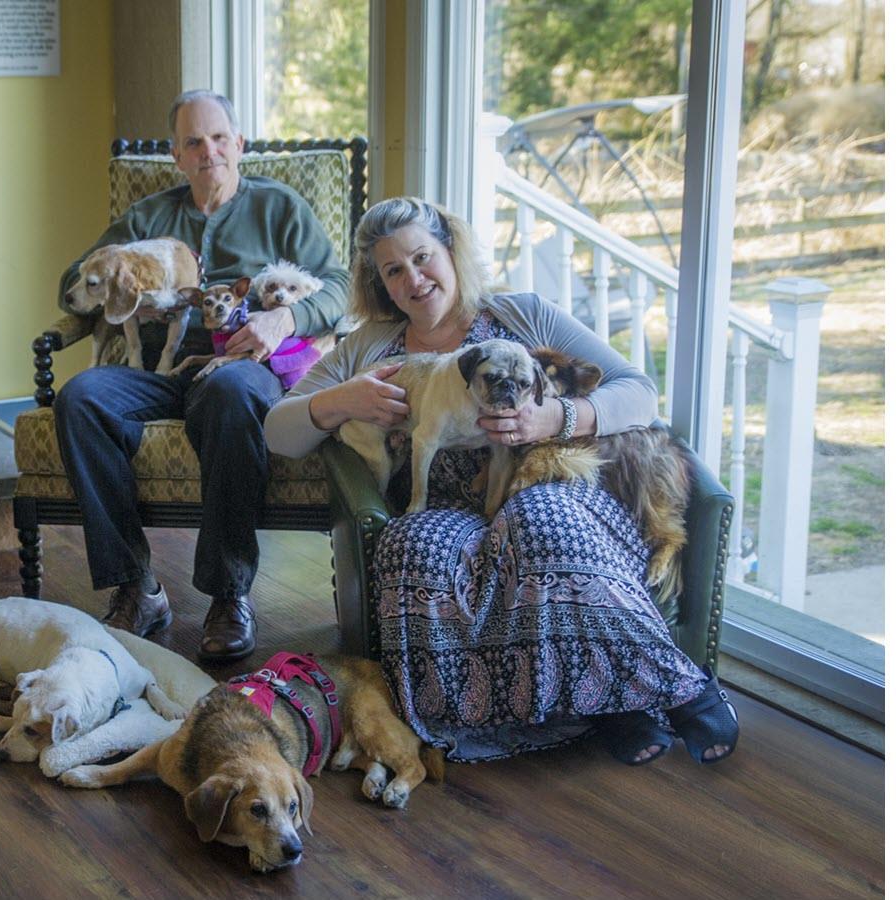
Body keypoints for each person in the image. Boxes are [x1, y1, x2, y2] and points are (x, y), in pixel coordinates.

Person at [263, 197, 738, 765]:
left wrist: (556, 418)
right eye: (394, 270)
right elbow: (278, 433)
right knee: (416, 550)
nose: (414, 279)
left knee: (543, 526)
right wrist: (341, 400)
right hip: (437, 507)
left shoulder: (522, 313)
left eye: (422, 257)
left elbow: (638, 391)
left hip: (539, 484)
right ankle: (583, 705)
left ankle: (667, 692)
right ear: (379, 282)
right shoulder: (366, 346)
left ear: (451, 253)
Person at [53, 90, 351, 663]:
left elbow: (338, 285)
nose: (208, 151)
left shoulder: (280, 207)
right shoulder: (148, 216)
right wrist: (115, 274)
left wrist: (285, 316)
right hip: (161, 368)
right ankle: (136, 587)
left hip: (244, 365)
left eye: (219, 138)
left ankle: (227, 593)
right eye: (193, 142)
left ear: (239, 145)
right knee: (81, 397)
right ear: (176, 155)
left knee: (231, 391)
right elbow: (72, 278)